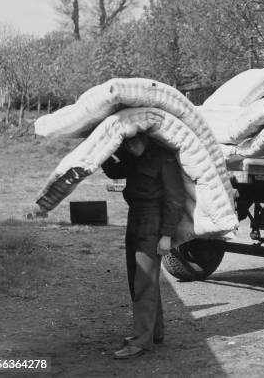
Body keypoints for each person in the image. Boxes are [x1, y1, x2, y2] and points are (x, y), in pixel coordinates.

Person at [101, 133, 185, 359]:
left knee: (144, 282)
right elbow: (115, 171)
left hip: (153, 221)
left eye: (133, 142)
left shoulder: (162, 157)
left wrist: (166, 235)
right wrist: (101, 152)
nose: (130, 146)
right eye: (127, 143)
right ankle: (154, 332)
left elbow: (175, 198)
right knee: (136, 278)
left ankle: (141, 341)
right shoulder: (133, 155)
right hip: (135, 217)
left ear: (146, 138)